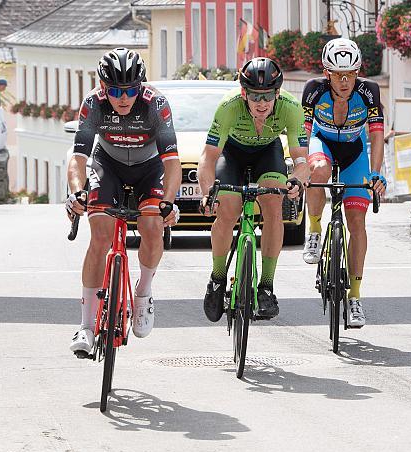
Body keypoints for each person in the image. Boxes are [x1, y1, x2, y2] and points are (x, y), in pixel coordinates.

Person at [66, 48, 181, 357]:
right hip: (109, 165)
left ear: (140, 87)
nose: (123, 97)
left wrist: (168, 202)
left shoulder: (156, 104)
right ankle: (87, 326)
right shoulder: (93, 103)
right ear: (103, 87)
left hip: (150, 167)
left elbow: (172, 163)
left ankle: (143, 292)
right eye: (115, 90)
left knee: (152, 225)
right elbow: (78, 158)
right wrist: (77, 192)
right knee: (100, 237)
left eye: (130, 90)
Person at [198, 57, 307, 322]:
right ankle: (217, 278)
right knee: (228, 210)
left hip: (268, 153)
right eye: (255, 96)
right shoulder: (229, 107)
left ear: (277, 93)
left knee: (273, 206)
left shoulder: (291, 108)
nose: (261, 103)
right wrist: (207, 191)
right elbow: (208, 157)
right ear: (244, 93)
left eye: (267, 96)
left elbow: (301, 159)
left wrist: (297, 181)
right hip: (232, 154)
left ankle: (266, 286)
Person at [300, 38, 387, 328]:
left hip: (354, 152)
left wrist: (376, 173)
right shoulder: (314, 90)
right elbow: (304, 133)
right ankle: (313, 229)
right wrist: (301, 165)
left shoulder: (369, 91)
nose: (345, 80)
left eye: (351, 73)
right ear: (327, 73)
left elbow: (376, 136)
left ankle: (355, 297)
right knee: (320, 169)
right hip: (322, 143)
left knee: (357, 223)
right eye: (338, 74)